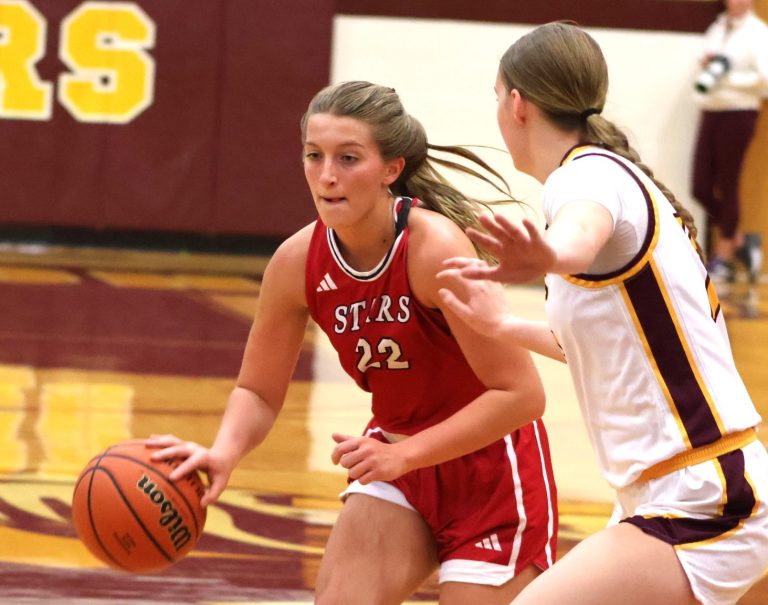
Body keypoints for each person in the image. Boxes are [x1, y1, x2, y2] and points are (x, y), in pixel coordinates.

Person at [147, 81, 558, 604]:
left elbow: (522, 396)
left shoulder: (434, 250)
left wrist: (406, 456)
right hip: (393, 459)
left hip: (491, 470)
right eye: (313, 156)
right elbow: (258, 391)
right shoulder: (296, 262)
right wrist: (224, 452)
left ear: (391, 169)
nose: (327, 175)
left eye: (348, 158)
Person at [438, 22, 768, 605]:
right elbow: (610, 344)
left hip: (702, 494)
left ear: (518, 104)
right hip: (693, 485)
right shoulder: (608, 173)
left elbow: (578, 234)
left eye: (496, 97)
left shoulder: (585, 176)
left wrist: (549, 255)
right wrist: (505, 326)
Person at [691, 0, 768, 284]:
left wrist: (726, 78)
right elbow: (702, 63)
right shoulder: (718, 26)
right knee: (700, 186)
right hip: (711, 109)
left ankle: (723, 252)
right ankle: (737, 238)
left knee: (728, 182)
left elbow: (764, 79)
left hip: (739, 112)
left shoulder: (758, 33)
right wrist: (708, 68)